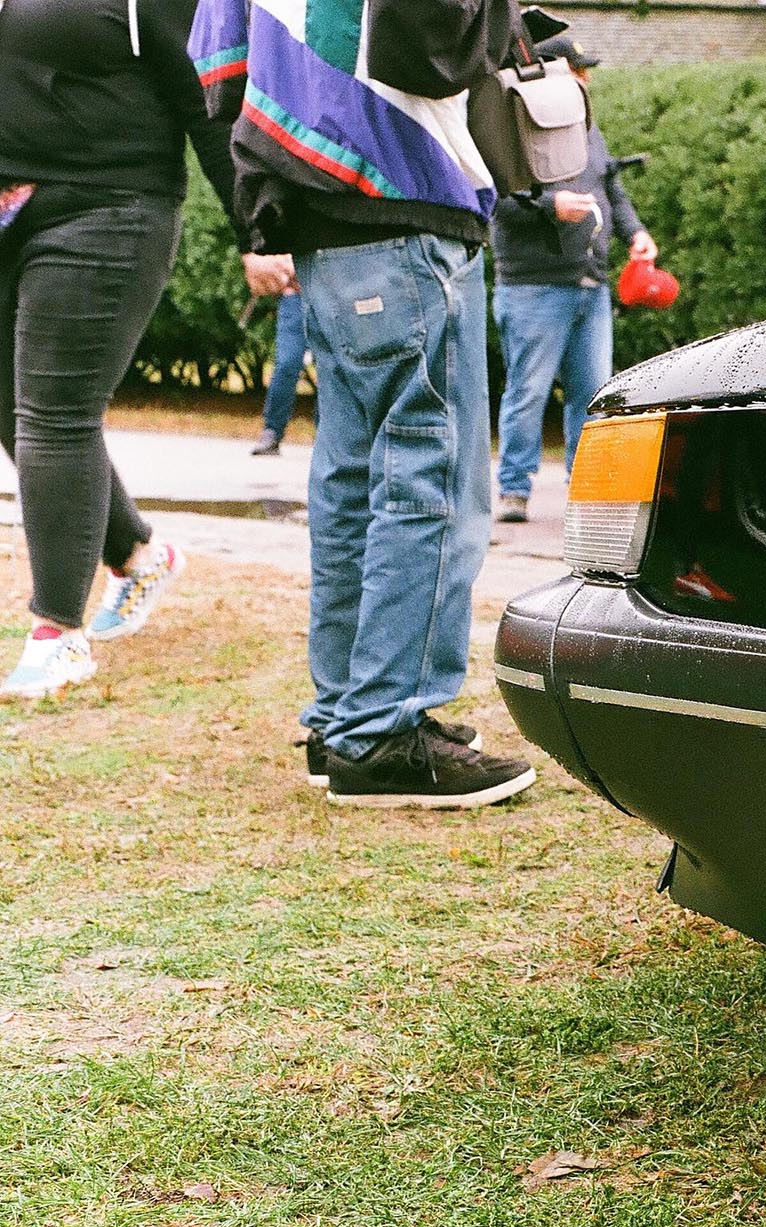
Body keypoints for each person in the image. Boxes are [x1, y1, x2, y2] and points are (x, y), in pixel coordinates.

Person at [192, 0, 535, 809]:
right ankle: (384, 730)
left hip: (314, 207)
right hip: (403, 187)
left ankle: (343, 719)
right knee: (432, 477)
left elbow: (214, 64)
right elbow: (437, 43)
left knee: (351, 481)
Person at [0, 0, 279, 700]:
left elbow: (207, 105)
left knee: (56, 412)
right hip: (10, 206)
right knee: (10, 405)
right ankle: (137, 555)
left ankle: (58, 635)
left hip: (108, 208)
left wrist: (256, 233)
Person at [491, 36, 656, 524]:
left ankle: (586, 491)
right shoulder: (512, 124)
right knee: (528, 392)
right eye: (577, 69)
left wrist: (636, 233)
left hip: (591, 283)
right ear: (548, 72)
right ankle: (513, 493)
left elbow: (613, 190)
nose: (585, 79)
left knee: (593, 395)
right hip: (533, 286)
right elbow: (494, 200)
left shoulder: (589, 128)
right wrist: (549, 207)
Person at [250, 290, 306, 456]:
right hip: (296, 294)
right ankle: (272, 431)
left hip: (334, 292)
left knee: (332, 366)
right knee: (287, 363)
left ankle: (328, 438)